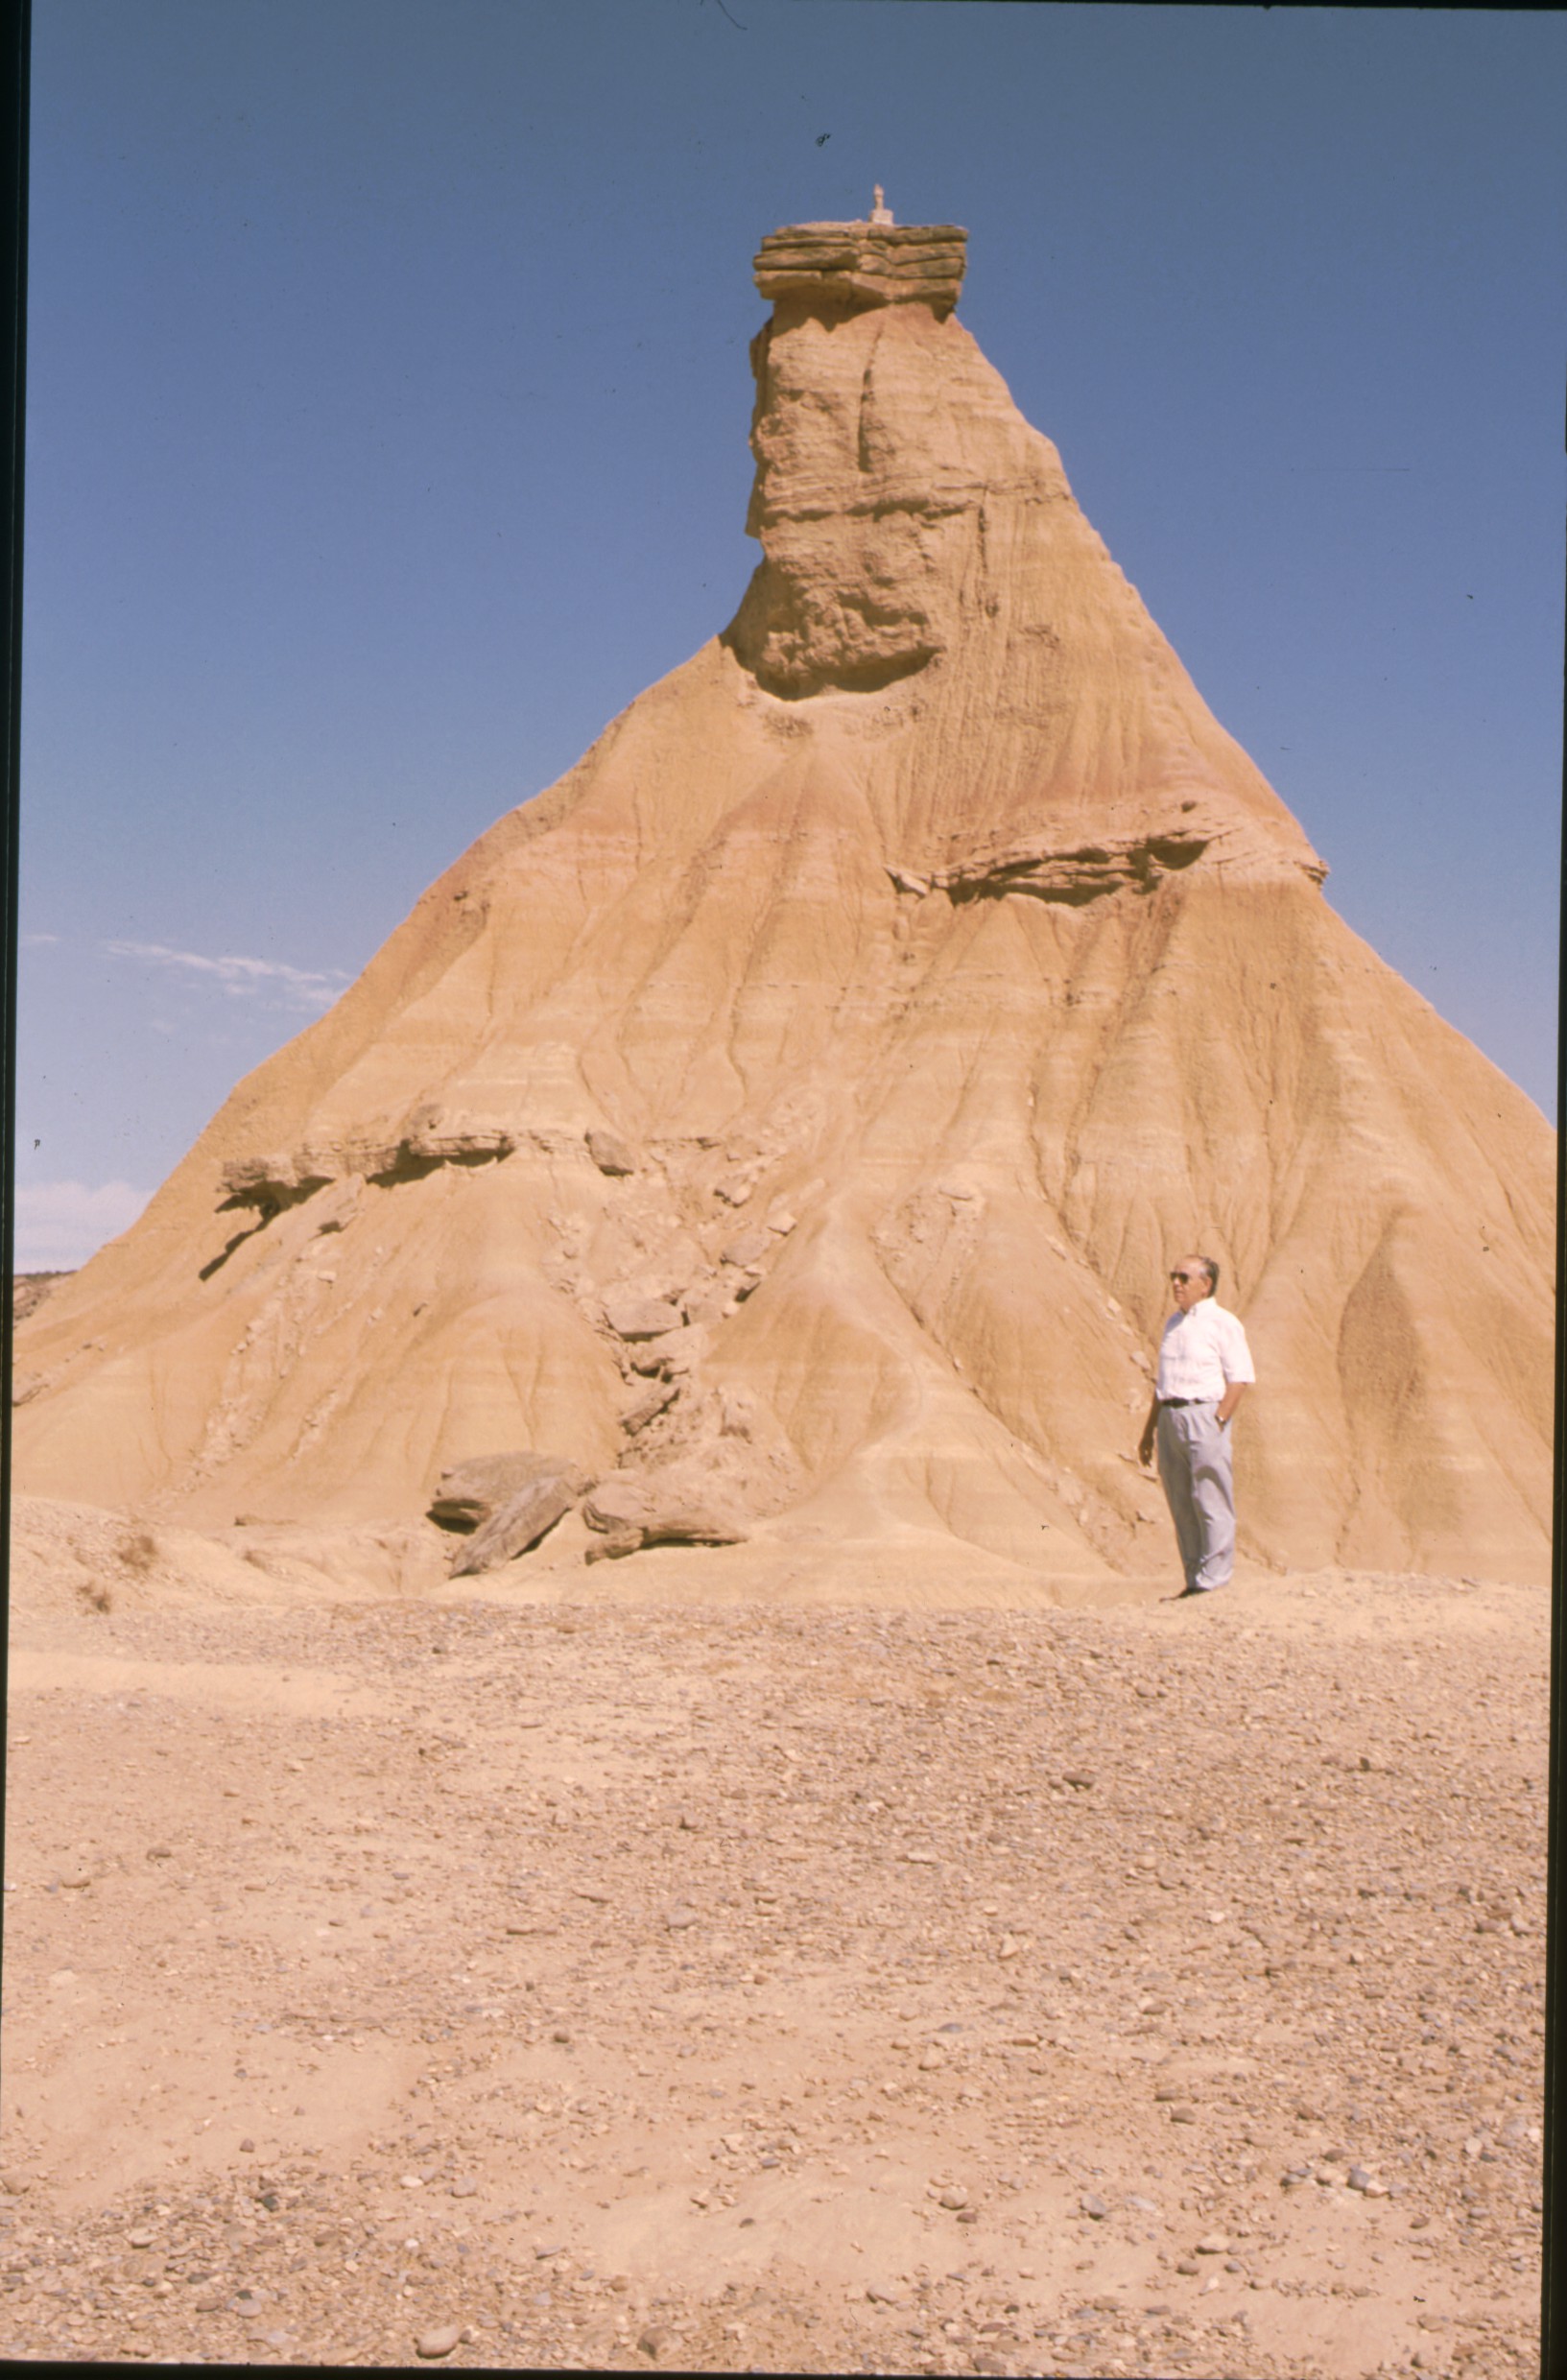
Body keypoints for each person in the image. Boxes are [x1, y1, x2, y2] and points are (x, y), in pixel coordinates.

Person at [1137, 1254, 1254, 1599]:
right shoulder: (1173, 1324)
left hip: (1204, 1414)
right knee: (1181, 1502)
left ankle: (1214, 1580)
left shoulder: (1223, 1322)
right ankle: (1194, 1579)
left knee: (1211, 1497)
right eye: (1174, 1276)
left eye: (1184, 1278)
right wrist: (1149, 1431)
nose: (1176, 1283)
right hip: (1171, 1417)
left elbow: (1240, 1377)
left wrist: (1218, 1420)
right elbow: (1163, 1383)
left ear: (1205, 1285)